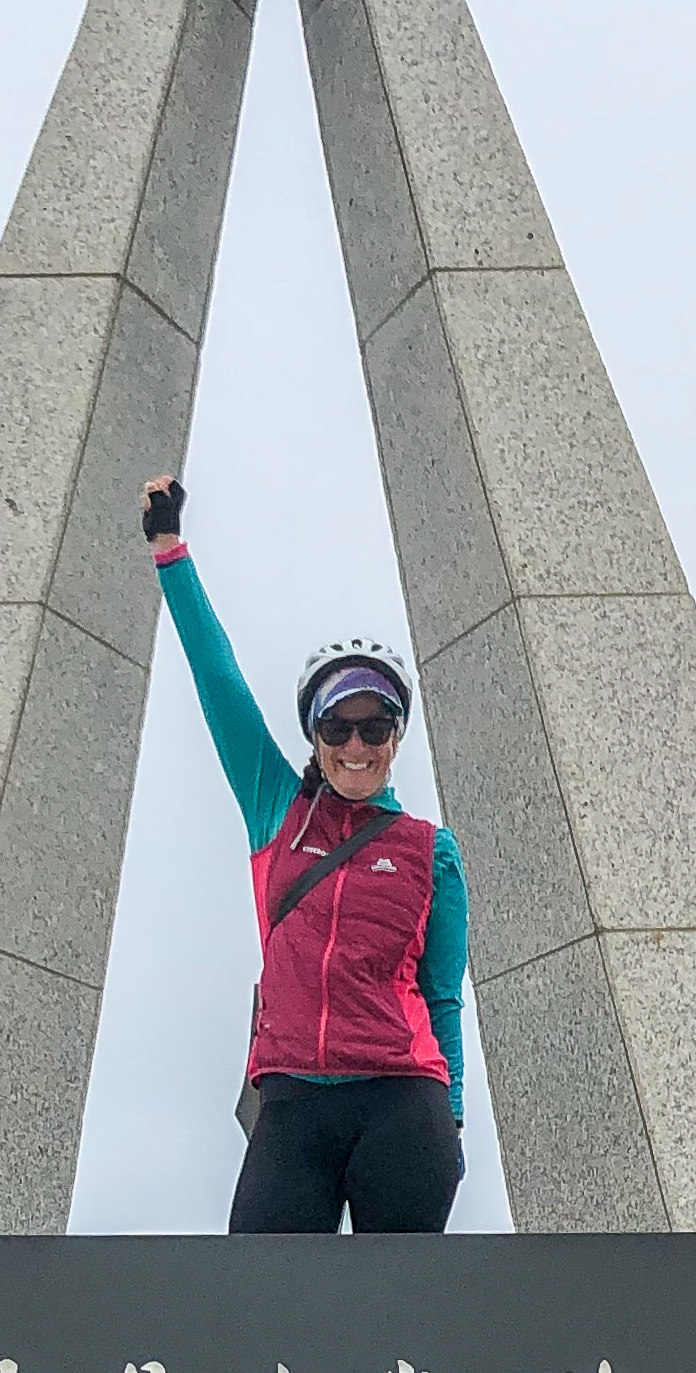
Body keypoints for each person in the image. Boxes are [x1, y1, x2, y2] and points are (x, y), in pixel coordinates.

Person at [142, 472, 468, 1234]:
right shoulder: (275, 809)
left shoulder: (431, 850)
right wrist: (171, 552)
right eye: (337, 727)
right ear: (315, 736)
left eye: (375, 727)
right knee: (263, 1294)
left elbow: (443, 994)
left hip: (403, 1101)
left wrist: (451, 1118)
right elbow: (218, 680)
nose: (356, 744)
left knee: (398, 1305)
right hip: (291, 1098)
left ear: (395, 737)